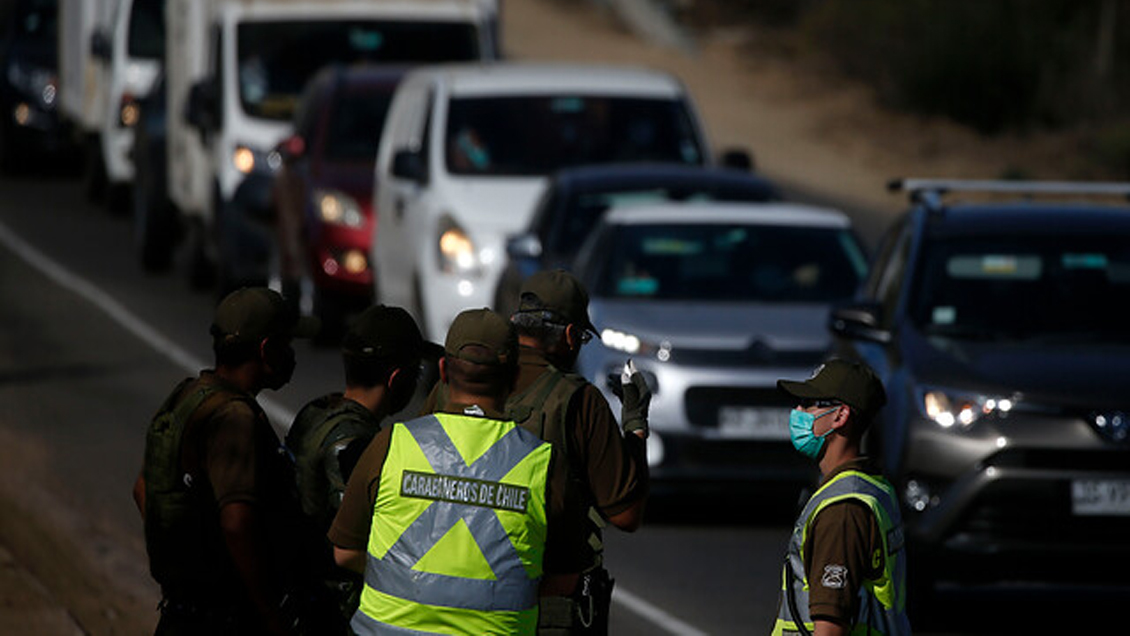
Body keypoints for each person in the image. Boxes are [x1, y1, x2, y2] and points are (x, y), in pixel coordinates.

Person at [419, 270, 651, 634]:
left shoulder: (455, 387)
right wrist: (635, 427)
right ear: (572, 336)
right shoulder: (578, 401)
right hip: (545, 604)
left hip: (442, 594)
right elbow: (626, 514)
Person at [329, 308, 566, 635]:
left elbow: (344, 553)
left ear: (442, 370)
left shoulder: (390, 444)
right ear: (514, 379)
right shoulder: (543, 462)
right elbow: (565, 577)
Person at [132, 287, 319, 635]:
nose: (292, 355)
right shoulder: (236, 419)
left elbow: (144, 488)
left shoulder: (188, 395)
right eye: (286, 344)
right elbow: (237, 523)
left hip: (181, 612)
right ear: (266, 350)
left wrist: (181, 560)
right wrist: (270, 615)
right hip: (223, 620)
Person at [284, 304, 440, 632]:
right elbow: (348, 549)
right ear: (398, 379)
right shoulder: (357, 441)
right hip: (329, 611)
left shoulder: (315, 412)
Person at [772, 359, 911, 636]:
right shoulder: (874, 488)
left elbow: (830, 627)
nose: (797, 411)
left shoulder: (842, 511)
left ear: (840, 415)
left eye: (808, 403)